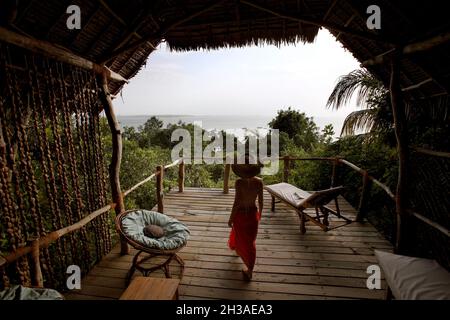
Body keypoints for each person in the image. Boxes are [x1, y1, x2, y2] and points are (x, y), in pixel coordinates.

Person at [227, 158, 264, 281]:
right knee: (250, 241)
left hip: (241, 215)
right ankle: (250, 269)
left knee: (240, 236)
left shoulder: (239, 183)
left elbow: (237, 203)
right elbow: (260, 201)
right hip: (253, 214)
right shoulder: (259, 182)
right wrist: (260, 214)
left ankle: (249, 270)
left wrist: (231, 218)